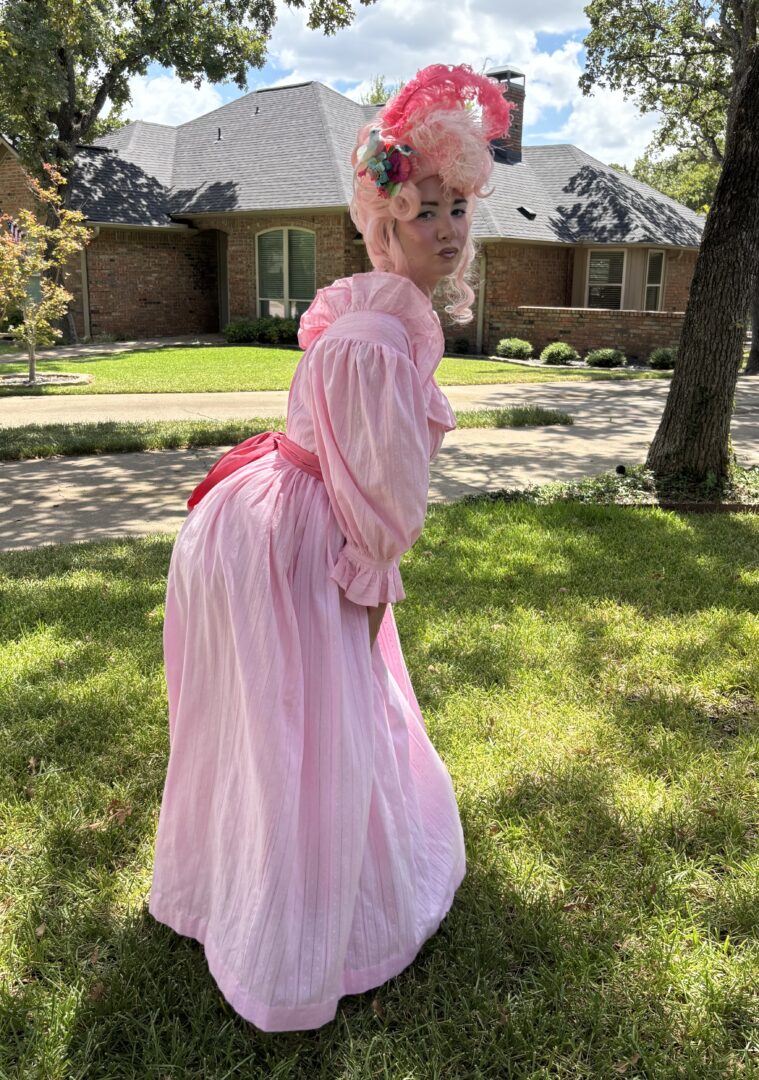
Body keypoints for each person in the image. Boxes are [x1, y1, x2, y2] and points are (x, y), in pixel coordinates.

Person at [148, 63, 513, 1032]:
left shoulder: (379, 318)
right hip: (293, 538)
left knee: (291, 711)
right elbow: (379, 485)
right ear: (383, 220)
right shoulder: (371, 337)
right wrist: (374, 559)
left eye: (457, 211)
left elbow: (368, 460)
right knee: (305, 717)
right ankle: (295, 924)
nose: (444, 228)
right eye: (422, 209)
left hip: (272, 518)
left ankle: (253, 882)